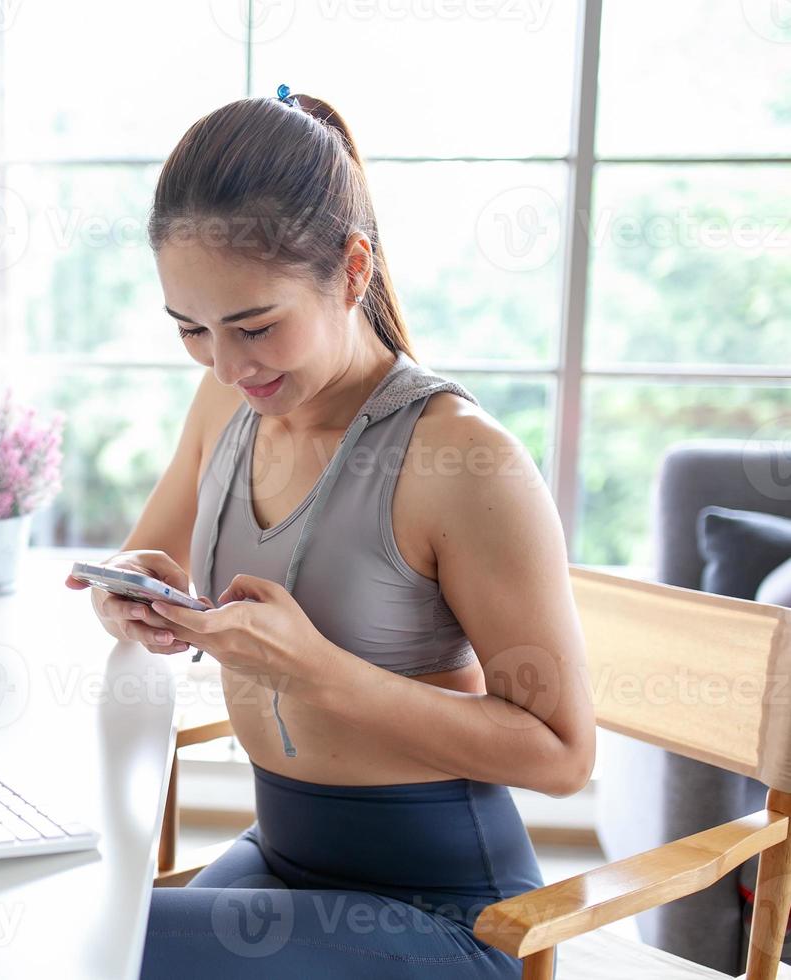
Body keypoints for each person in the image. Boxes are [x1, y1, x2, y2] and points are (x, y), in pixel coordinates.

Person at [64, 88, 594, 979]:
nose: (230, 365)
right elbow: (146, 557)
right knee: (74, 922)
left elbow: (565, 756)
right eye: (191, 329)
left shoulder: (463, 458)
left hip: (450, 916)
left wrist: (315, 670)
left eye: (256, 325)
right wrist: (130, 597)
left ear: (353, 270)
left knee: (85, 950)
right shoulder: (226, 404)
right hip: (285, 860)